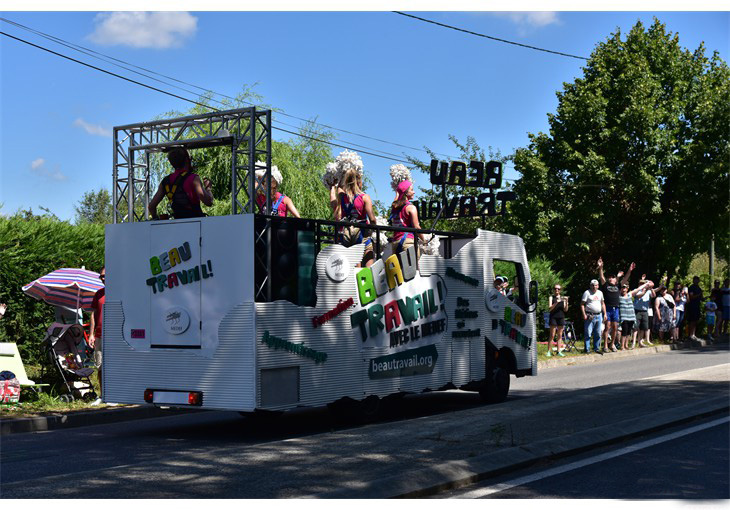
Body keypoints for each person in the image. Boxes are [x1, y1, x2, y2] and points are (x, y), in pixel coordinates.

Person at [149, 148, 213, 219]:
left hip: (177, 223)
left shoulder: (165, 181)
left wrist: (156, 219)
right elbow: (208, 202)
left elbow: (151, 206)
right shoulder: (193, 178)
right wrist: (208, 188)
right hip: (196, 223)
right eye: (190, 158)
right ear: (187, 160)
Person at [335, 168, 376, 267]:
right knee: (368, 253)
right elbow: (372, 219)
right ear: (358, 182)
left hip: (347, 232)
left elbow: (338, 188)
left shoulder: (342, 197)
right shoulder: (364, 197)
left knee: (353, 260)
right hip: (361, 232)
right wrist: (372, 228)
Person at [597, 258, 633, 351]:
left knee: (615, 327)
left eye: (612, 277)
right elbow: (601, 277)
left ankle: (612, 344)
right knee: (607, 327)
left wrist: (629, 270)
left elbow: (626, 278)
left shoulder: (618, 285)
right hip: (608, 308)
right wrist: (601, 267)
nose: (610, 278)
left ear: (615, 279)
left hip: (616, 309)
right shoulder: (606, 285)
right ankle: (605, 345)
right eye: (609, 277)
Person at [390, 180, 427, 257]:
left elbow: (396, 198)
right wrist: (424, 240)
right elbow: (416, 227)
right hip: (408, 242)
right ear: (406, 193)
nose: (414, 192)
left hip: (395, 242)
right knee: (412, 268)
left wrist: (398, 191)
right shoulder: (411, 208)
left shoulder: (394, 208)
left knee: (399, 268)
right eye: (412, 189)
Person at [89, 267, 105, 406]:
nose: (103, 278)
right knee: (100, 366)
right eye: (101, 276)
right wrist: (91, 334)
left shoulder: (119, 292)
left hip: (115, 336)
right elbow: (93, 314)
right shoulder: (99, 294)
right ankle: (103, 395)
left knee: (114, 365)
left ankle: (116, 394)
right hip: (99, 335)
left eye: (105, 276)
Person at [619, 281, 648, 350]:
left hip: (631, 316)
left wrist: (646, 284)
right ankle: (622, 346)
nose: (623, 289)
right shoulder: (619, 296)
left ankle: (626, 345)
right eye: (622, 288)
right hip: (624, 317)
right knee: (624, 332)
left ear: (627, 288)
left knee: (629, 332)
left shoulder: (630, 294)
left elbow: (638, 289)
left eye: (625, 288)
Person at [581, 279, 606, 355]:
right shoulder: (587, 293)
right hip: (590, 315)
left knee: (598, 333)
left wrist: (605, 314)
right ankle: (587, 348)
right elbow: (582, 304)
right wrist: (584, 314)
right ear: (590, 285)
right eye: (592, 285)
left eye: (596, 285)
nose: (594, 287)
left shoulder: (600, 293)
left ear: (598, 286)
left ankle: (596, 348)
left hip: (599, 315)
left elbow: (602, 303)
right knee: (588, 332)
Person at [547, 283, 568, 357]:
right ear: (553, 290)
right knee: (552, 335)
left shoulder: (562, 298)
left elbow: (565, 309)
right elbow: (550, 308)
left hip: (561, 317)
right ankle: (549, 351)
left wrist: (566, 301)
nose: (557, 290)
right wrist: (556, 303)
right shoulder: (551, 297)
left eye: (558, 289)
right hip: (553, 317)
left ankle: (558, 351)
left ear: (560, 290)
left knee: (560, 335)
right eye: (555, 288)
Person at [633, 277, 655, 347]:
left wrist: (651, 288)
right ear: (639, 284)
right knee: (635, 328)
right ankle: (633, 342)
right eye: (641, 283)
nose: (642, 284)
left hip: (645, 311)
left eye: (644, 283)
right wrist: (644, 291)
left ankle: (640, 342)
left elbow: (654, 295)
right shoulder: (636, 290)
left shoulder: (648, 291)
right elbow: (639, 296)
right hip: (637, 310)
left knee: (643, 328)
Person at [686, 276, 703, 341]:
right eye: (695, 280)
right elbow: (691, 297)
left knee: (696, 320)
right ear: (693, 280)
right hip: (692, 306)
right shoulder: (691, 287)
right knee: (692, 320)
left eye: (697, 280)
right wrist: (698, 295)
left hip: (697, 305)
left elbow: (701, 298)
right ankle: (690, 335)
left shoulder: (699, 288)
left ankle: (693, 334)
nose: (696, 281)